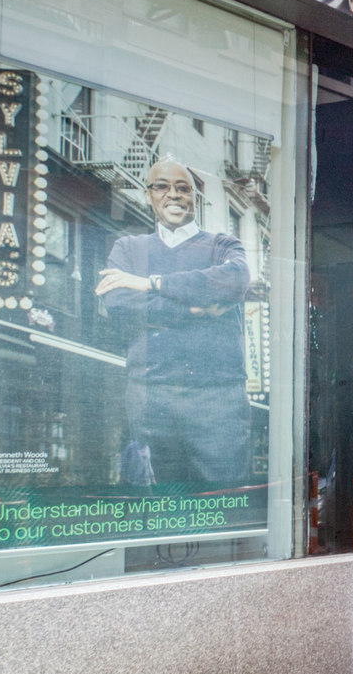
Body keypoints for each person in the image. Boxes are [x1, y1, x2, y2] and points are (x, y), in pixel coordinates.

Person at [95, 158, 251, 485]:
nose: (174, 195)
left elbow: (235, 281)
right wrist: (197, 309)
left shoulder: (223, 245)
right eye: (162, 187)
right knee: (161, 500)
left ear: (194, 197)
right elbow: (119, 302)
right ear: (148, 194)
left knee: (225, 496)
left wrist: (152, 283)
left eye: (183, 188)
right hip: (150, 393)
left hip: (216, 394)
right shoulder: (128, 248)